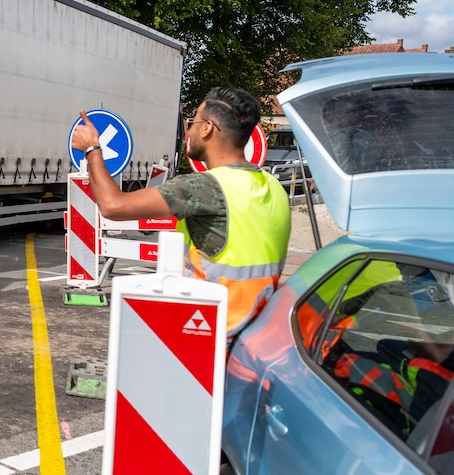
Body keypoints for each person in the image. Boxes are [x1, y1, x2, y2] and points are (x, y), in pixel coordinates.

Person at [69, 87, 291, 340]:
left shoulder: (206, 187)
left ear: (207, 128)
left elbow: (113, 205)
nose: (189, 130)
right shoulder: (274, 187)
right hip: (258, 337)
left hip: (208, 336)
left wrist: (92, 150)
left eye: (192, 122)